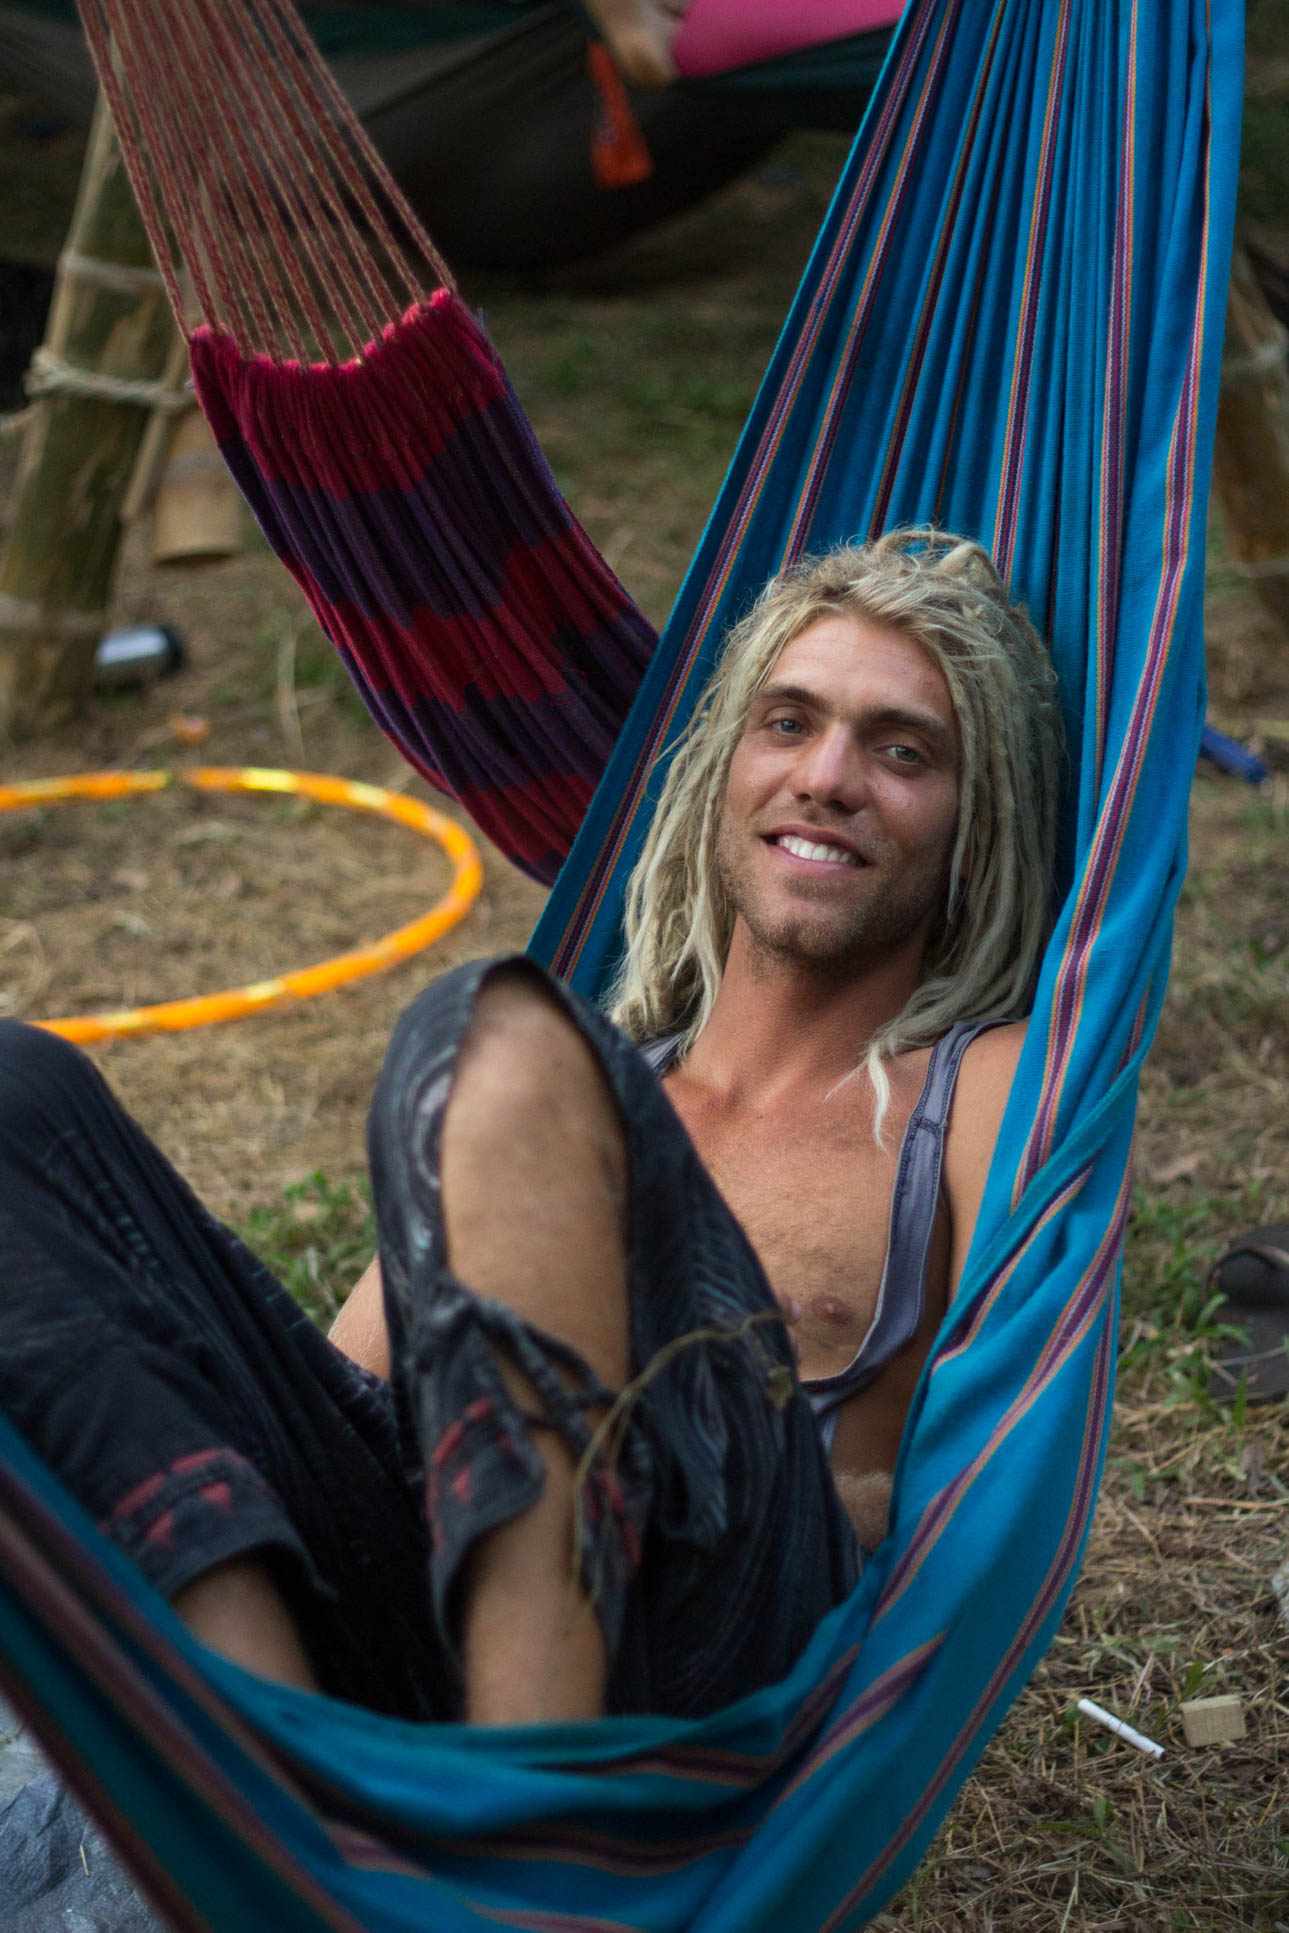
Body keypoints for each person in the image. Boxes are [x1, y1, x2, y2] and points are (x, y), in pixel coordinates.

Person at [0, 528, 1062, 1731]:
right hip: (418, 1624)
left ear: (975, 829)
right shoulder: (588, 1091)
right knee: (16, 1092)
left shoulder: (981, 1089)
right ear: (722, 770)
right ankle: (263, 1756)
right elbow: (352, 1397)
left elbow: (1003, 1479)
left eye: (902, 750)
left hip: (713, 1646)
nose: (824, 776)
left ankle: (532, 1791)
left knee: (488, 1035)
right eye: (786, 722)